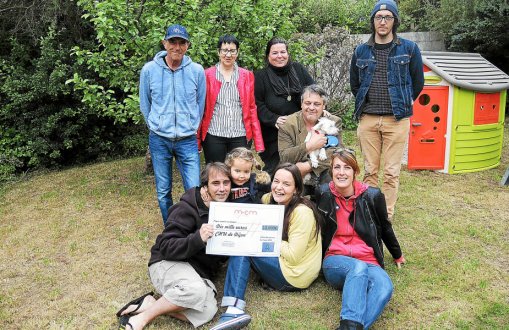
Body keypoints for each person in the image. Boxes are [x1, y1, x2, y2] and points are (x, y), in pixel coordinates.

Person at [116, 163, 231, 330]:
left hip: (195, 271)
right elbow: (165, 246)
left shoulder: (226, 209)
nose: (222, 188)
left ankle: (151, 304)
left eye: (226, 183)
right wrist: (198, 238)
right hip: (166, 262)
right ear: (205, 185)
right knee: (196, 291)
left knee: (208, 311)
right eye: (215, 183)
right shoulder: (186, 208)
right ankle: (140, 319)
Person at [210, 163, 322, 330]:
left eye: (286, 184)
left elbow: (293, 255)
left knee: (245, 245)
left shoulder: (302, 212)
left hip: (296, 275)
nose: (279, 187)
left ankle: (234, 310)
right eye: (276, 181)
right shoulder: (269, 200)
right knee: (247, 238)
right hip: (284, 264)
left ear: (297, 189)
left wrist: (263, 236)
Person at [315, 148, 405, 330]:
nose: (341, 172)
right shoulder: (323, 193)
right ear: (331, 170)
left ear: (355, 171)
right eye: (337, 167)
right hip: (335, 260)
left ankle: (349, 327)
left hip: (368, 259)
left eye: (347, 168)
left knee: (384, 287)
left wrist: (397, 254)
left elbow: (385, 227)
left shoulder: (372, 196)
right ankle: (350, 322)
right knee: (357, 267)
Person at [349, 0, 424, 220]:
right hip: (368, 120)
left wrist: (402, 102)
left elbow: (417, 83)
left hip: (397, 120)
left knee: (391, 172)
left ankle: (387, 214)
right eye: (378, 17)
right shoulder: (361, 50)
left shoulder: (409, 49)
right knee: (370, 170)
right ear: (373, 21)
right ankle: (371, 210)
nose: (383, 22)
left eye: (388, 17)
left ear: (395, 21)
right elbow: (355, 85)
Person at [139, 24, 206, 225]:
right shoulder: (149, 70)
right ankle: (172, 229)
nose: (177, 47)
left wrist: (192, 125)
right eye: (173, 42)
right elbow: (145, 103)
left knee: (194, 188)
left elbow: (200, 103)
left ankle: (195, 228)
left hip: (187, 139)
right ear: (164, 43)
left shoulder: (196, 71)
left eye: (182, 43)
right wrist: (155, 125)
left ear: (187, 45)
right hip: (159, 139)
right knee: (163, 190)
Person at [198, 35, 264, 163]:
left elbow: (251, 108)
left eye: (232, 51)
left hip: (240, 134)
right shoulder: (206, 75)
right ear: (218, 52)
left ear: (237, 52)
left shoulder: (247, 75)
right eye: (225, 50)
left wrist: (258, 141)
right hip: (214, 134)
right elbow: (201, 108)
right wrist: (197, 140)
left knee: (239, 174)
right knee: (216, 173)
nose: (228, 55)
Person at [255, 37, 315, 176]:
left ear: (288, 54)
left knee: (305, 169)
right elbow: (257, 104)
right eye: (275, 53)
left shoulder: (299, 70)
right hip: (274, 133)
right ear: (268, 56)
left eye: (283, 52)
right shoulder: (260, 76)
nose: (279, 56)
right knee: (279, 171)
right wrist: (273, 119)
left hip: (302, 130)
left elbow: (313, 93)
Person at [278, 84, 342, 197]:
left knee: (328, 189)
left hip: (323, 171)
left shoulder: (333, 122)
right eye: (307, 103)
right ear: (301, 104)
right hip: (297, 174)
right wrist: (309, 146)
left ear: (324, 106)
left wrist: (307, 166)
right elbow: (285, 157)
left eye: (317, 104)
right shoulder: (288, 124)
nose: (311, 107)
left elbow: (335, 152)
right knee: (293, 199)